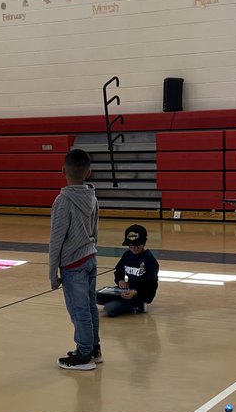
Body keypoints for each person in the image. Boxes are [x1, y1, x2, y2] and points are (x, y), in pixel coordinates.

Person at [49, 148, 100, 371]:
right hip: (90, 257)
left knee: (79, 310)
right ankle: (93, 348)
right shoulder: (92, 196)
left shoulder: (62, 201)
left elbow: (56, 240)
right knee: (89, 308)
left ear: (63, 170)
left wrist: (52, 274)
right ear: (89, 172)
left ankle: (83, 355)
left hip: (73, 264)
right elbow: (95, 230)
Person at [96, 224, 159, 317]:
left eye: (138, 245)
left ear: (144, 243)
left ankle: (138, 304)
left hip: (140, 294)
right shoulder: (127, 255)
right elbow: (119, 270)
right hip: (127, 290)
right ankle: (120, 302)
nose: (134, 248)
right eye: (131, 245)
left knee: (109, 310)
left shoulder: (149, 260)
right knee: (95, 296)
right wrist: (120, 280)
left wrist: (136, 291)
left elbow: (151, 283)